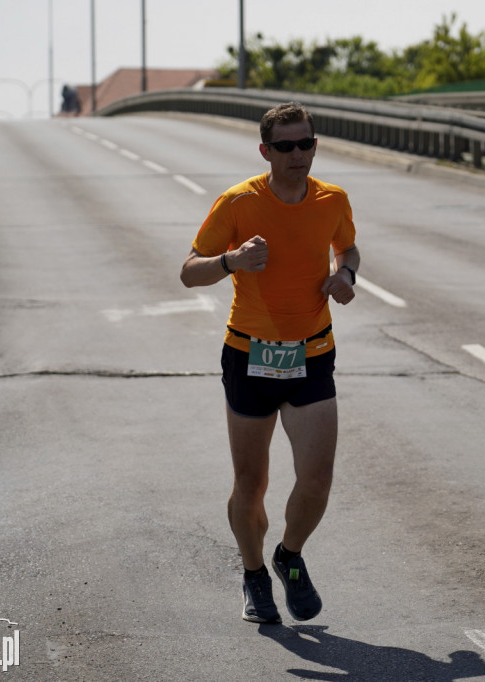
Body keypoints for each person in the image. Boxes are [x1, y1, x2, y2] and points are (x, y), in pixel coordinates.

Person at [180, 101, 360, 624]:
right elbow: (190, 271)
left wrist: (346, 276)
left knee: (316, 479)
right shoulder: (238, 203)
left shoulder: (332, 200)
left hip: (312, 354)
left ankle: (289, 554)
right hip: (250, 356)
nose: (299, 154)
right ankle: (254, 574)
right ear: (266, 151)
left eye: (307, 143)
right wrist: (231, 261)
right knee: (250, 482)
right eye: (286, 146)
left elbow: (347, 250)